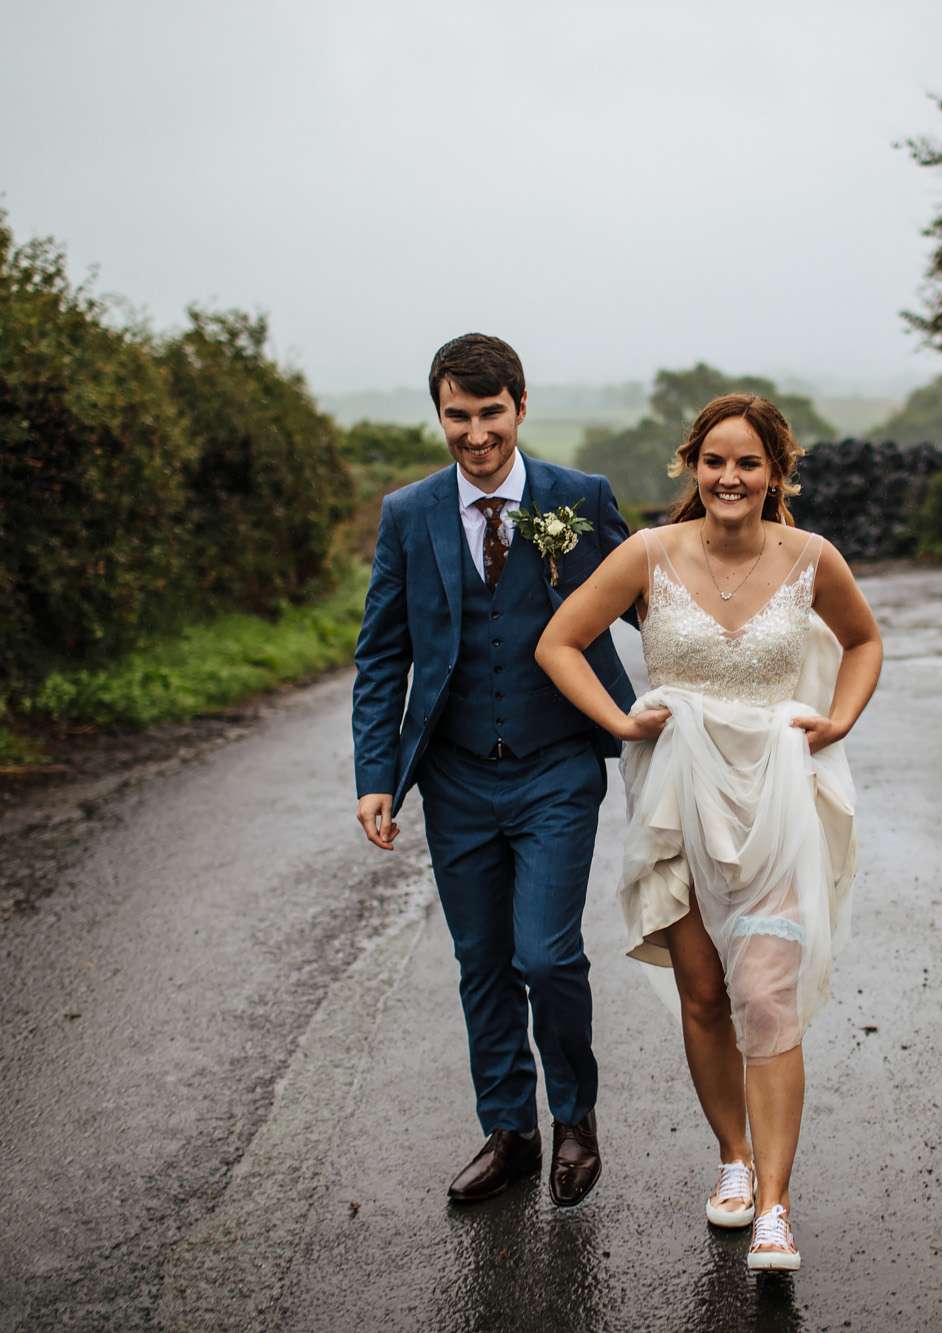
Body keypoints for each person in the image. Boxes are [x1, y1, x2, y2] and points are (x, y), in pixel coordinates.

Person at [535, 393, 882, 1273]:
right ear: (693, 468)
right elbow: (559, 641)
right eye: (715, 461)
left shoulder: (813, 557)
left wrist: (838, 718)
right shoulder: (650, 553)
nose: (730, 478)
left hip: (774, 798)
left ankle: (774, 1204)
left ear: (776, 473)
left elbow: (865, 639)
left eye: (749, 463)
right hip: (675, 798)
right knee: (701, 990)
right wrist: (620, 720)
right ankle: (733, 1157)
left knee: (766, 994)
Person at [351, 333, 637, 1207]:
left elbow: (653, 601)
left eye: (490, 413)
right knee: (481, 961)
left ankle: (575, 1117)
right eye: (457, 415)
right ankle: (509, 1132)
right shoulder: (409, 514)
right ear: (440, 414)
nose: (475, 433)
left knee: (546, 956)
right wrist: (375, 774)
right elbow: (382, 655)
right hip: (458, 775)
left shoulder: (580, 499)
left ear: (519, 405)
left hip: (556, 765)